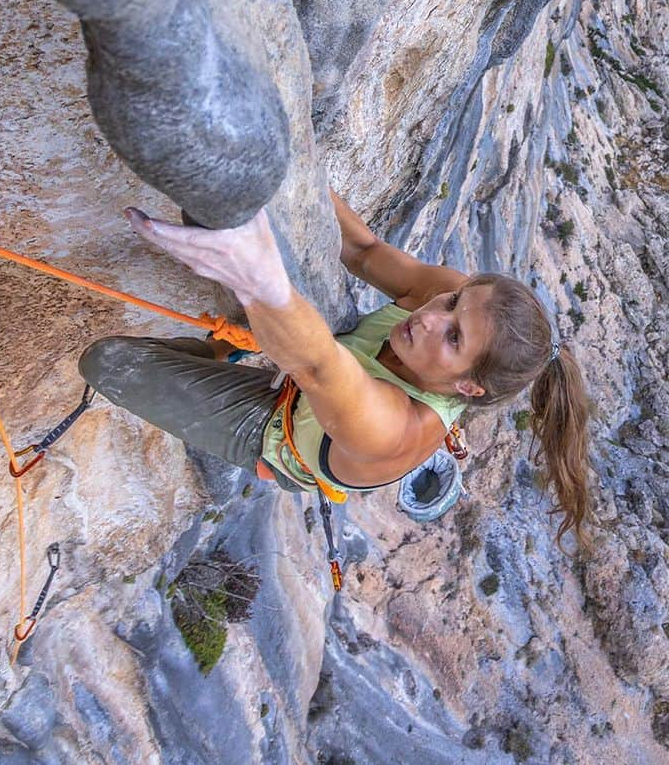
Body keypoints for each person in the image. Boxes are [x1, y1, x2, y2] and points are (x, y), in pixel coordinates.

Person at [79, 190, 592, 553]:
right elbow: (364, 252)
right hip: (321, 367)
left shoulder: (396, 429)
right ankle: (236, 345)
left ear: (468, 386)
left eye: (453, 337)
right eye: (453, 301)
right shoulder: (449, 302)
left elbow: (319, 365)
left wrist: (251, 274)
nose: (432, 317)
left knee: (109, 362)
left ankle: (219, 352)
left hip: (276, 432)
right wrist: (283, 165)